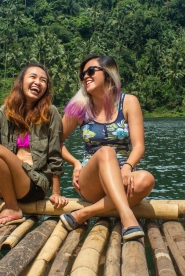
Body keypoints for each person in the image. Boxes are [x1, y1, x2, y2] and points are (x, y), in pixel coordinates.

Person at [58, 54, 155, 241]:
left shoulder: (128, 102)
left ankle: (83, 214)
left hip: (122, 175)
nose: (86, 76)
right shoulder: (79, 107)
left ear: (109, 73)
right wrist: (76, 163)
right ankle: (128, 217)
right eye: (83, 74)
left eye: (91, 71)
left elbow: (139, 146)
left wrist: (127, 166)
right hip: (91, 181)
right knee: (105, 152)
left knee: (146, 179)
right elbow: (55, 143)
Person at [0, 64, 67, 229]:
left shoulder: (50, 112)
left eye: (43, 80)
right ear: (21, 81)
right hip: (6, 184)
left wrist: (56, 192)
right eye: (33, 77)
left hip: (34, 184)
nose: (38, 82)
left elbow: (55, 153)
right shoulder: (8, 110)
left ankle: (12, 208)